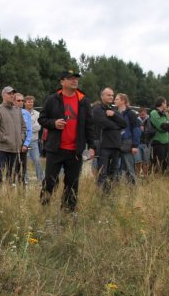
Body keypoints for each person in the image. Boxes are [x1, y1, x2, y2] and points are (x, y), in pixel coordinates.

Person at [38, 70, 96, 212]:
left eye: (76, 78)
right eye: (70, 78)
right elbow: (42, 119)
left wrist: (92, 145)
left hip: (75, 150)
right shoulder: (53, 99)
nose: (74, 81)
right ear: (62, 82)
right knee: (50, 181)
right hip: (55, 149)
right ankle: (43, 208)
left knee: (72, 183)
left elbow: (89, 125)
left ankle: (68, 212)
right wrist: (54, 123)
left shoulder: (83, 101)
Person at [0, 87, 27, 185]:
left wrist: (21, 137)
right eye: (9, 93)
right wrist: (5, 138)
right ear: (3, 95)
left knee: (12, 176)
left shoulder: (18, 110)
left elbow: (23, 127)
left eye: (13, 93)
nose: (12, 95)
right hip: (2, 149)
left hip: (15, 149)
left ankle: (10, 197)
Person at [92, 88, 127, 193]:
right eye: (108, 95)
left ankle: (109, 194)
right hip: (104, 146)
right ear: (102, 96)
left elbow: (124, 124)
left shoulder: (114, 110)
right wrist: (117, 126)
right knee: (102, 172)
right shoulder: (97, 109)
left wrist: (114, 115)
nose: (111, 97)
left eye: (112, 95)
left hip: (116, 146)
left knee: (113, 172)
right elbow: (104, 123)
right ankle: (101, 195)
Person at [115, 93, 140, 185]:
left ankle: (133, 187)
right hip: (116, 143)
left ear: (123, 101)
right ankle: (116, 187)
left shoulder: (131, 114)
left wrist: (135, 145)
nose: (114, 100)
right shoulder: (114, 112)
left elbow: (136, 130)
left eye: (117, 99)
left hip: (127, 143)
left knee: (129, 167)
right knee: (116, 167)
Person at [148, 97, 169, 174]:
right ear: (162, 103)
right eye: (165, 103)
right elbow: (161, 127)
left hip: (166, 141)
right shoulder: (154, 113)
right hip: (157, 141)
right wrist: (168, 125)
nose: (166, 104)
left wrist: (168, 125)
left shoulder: (165, 113)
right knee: (157, 162)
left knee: (165, 162)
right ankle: (156, 180)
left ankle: (163, 179)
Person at [24, 95, 44, 183]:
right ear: (25, 103)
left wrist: (27, 127)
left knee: (37, 159)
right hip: (23, 141)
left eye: (31, 102)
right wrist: (30, 127)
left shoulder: (37, 114)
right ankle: (25, 179)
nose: (30, 103)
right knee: (24, 160)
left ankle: (41, 179)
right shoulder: (21, 113)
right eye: (28, 102)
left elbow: (38, 127)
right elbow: (20, 127)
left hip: (33, 141)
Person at [14, 93, 32, 185]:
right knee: (13, 164)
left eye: (22, 101)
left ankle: (23, 180)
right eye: (18, 100)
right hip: (12, 143)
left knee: (23, 164)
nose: (21, 102)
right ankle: (12, 181)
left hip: (23, 142)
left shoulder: (26, 113)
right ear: (13, 101)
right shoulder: (9, 112)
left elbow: (29, 130)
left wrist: (26, 144)